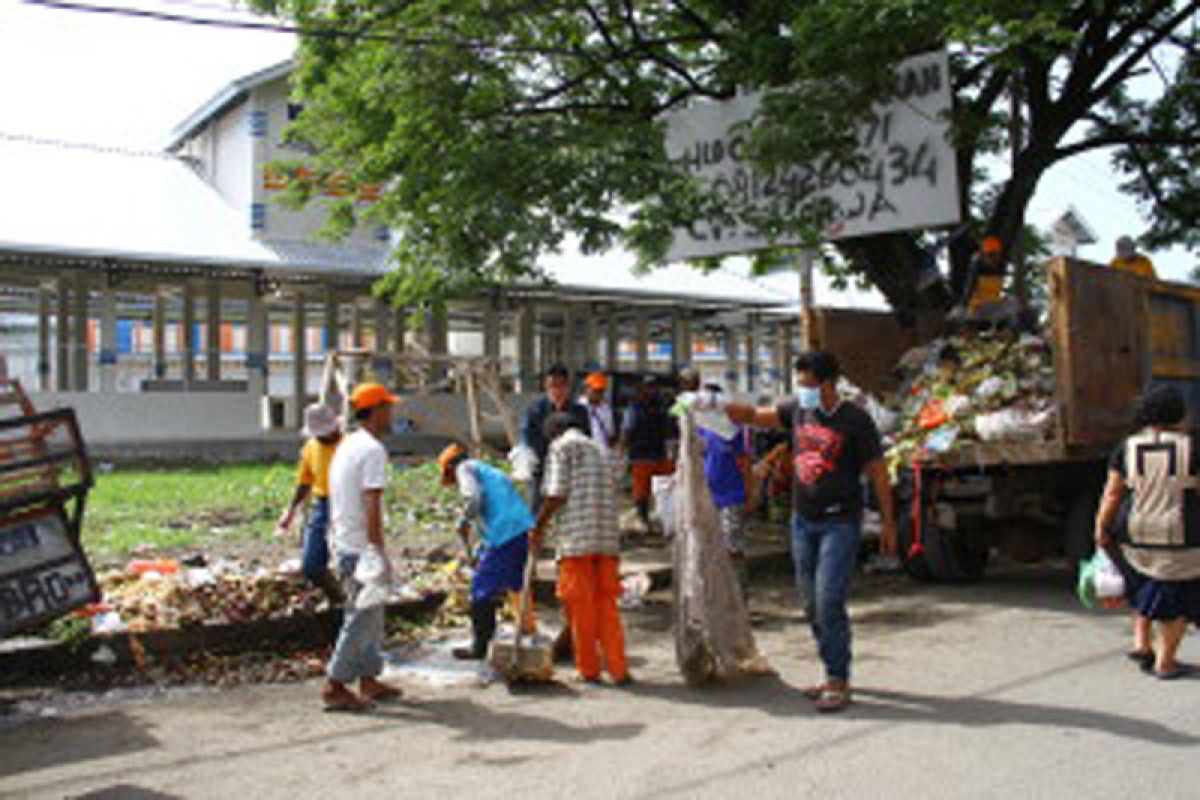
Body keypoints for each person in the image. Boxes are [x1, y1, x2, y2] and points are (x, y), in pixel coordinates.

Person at [704, 351, 897, 712]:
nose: (802, 390)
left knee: (828, 599)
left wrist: (887, 521)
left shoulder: (855, 420)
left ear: (827, 383)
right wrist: (709, 403)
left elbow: (878, 472)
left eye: (808, 383)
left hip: (841, 521)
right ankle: (830, 670)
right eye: (800, 383)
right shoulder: (797, 409)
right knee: (809, 602)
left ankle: (838, 678)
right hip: (803, 520)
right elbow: (751, 416)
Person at [1094, 384, 1200, 679]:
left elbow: (1112, 494)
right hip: (1182, 535)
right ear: (1178, 414)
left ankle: (1142, 643)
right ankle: (1165, 662)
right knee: (1177, 599)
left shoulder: (1126, 447)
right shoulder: (1192, 446)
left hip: (1135, 534)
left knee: (1145, 585)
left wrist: (1101, 528)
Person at [530, 412, 631, 686]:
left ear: (554, 432)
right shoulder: (600, 449)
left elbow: (555, 493)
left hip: (577, 542)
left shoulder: (561, 447)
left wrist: (538, 528)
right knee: (607, 606)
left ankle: (588, 670)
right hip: (607, 540)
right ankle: (618, 669)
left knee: (580, 609)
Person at [321, 382, 403, 712]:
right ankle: (335, 683)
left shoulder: (348, 445)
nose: (391, 414)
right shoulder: (372, 450)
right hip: (359, 546)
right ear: (376, 411)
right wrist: (376, 551)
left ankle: (368, 678)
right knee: (360, 617)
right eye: (387, 408)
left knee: (373, 614)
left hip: (345, 540)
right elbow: (372, 503)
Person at [437, 442, 536, 660]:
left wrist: (463, 520)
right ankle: (528, 635)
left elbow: (474, 498)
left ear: (451, 468)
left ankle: (480, 645)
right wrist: (480, 546)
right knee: (516, 585)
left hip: (505, 533)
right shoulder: (489, 471)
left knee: (481, 590)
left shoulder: (465, 469)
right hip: (518, 530)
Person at [276, 403, 344, 602]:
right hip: (323, 503)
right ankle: (337, 597)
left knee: (350, 561)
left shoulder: (349, 446)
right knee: (311, 564)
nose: (323, 437)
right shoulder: (310, 448)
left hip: (348, 502)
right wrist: (291, 510)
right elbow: (304, 482)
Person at [696, 384, 752, 595]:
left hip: (731, 496)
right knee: (709, 549)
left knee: (732, 549)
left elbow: (745, 461)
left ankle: (739, 596)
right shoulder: (701, 430)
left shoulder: (734, 429)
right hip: (708, 498)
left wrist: (750, 492)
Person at [519, 363, 590, 512]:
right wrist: (528, 457)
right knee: (535, 509)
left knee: (570, 510)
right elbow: (526, 436)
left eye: (560, 386)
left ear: (567, 387)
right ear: (546, 386)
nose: (556, 391)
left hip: (570, 469)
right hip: (541, 467)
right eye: (552, 386)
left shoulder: (579, 412)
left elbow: (586, 439)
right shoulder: (535, 409)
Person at [619, 375, 676, 532]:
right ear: (642, 389)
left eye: (653, 387)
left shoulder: (662, 407)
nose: (651, 390)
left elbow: (669, 430)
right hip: (640, 456)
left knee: (664, 491)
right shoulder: (634, 407)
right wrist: (622, 451)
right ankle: (643, 519)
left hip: (659, 455)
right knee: (641, 492)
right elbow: (627, 429)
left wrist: (671, 450)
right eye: (648, 387)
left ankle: (663, 520)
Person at [580, 371, 617, 460]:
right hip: (584, 456)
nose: (598, 394)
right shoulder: (579, 407)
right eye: (595, 390)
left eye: (601, 391)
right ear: (586, 389)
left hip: (602, 456)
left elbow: (610, 434)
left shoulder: (606, 409)